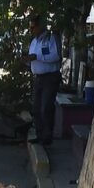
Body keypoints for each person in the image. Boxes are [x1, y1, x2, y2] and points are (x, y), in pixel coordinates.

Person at [24, 14, 62, 145]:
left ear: (40, 27)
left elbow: (56, 56)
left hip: (50, 77)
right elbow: (32, 58)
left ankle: (47, 137)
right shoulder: (34, 42)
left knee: (46, 107)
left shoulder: (51, 39)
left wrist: (37, 57)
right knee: (36, 108)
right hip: (38, 77)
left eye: (33, 27)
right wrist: (27, 61)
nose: (31, 30)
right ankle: (40, 135)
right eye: (30, 28)